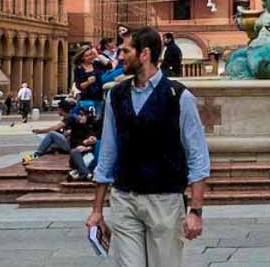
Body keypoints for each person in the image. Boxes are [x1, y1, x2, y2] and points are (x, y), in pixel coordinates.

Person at [87, 27, 210, 267]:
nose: (120, 56)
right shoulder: (116, 95)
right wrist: (97, 210)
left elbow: (198, 156)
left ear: (144, 54)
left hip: (164, 200)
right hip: (124, 198)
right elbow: (108, 153)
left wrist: (196, 211)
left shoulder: (178, 96)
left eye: (125, 50)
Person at [23, 99, 76, 164]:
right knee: (48, 144)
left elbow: (54, 128)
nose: (57, 111)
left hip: (70, 145)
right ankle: (45, 153)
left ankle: (37, 154)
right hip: (69, 144)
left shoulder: (69, 118)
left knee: (51, 134)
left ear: (61, 109)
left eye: (58, 109)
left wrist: (40, 131)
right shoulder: (69, 117)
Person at [75, 47, 107, 118]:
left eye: (91, 54)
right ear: (82, 58)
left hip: (99, 98)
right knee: (88, 121)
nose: (90, 57)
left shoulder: (97, 64)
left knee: (98, 121)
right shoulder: (79, 69)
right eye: (87, 56)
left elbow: (109, 65)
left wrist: (97, 55)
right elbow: (79, 86)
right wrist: (88, 82)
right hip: (86, 100)